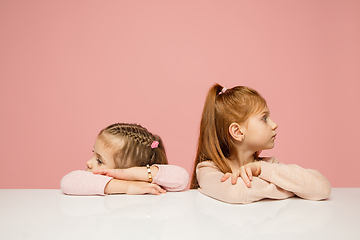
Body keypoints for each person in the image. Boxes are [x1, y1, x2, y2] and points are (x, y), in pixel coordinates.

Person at [190, 84, 331, 204]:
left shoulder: (267, 167)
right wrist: (291, 188)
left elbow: (322, 187)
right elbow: (237, 192)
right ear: (238, 132)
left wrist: (260, 169)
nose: (274, 125)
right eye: (264, 118)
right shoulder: (207, 169)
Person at [61, 123, 189, 195]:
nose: (88, 163)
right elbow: (68, 182)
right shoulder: (91, 183)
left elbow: (182, 178)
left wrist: (129, 174)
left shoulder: (146, 186)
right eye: (94, 154)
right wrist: (127, 186)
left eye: (99, 161)